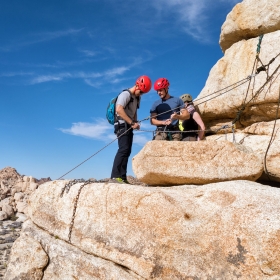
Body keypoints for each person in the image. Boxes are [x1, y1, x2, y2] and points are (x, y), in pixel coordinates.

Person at [111, 75, 152, 184]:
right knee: (123, 149)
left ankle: (122, 177)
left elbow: (134, 112)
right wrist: (131, 122)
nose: (142, 94)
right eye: (142, 91)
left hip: (128, 125)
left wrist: (135, 122)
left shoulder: (137, 97)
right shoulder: (126, 94)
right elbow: (119, 109)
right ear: (138, 86)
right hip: (121, 124)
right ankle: (115, 176)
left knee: (127, 150)